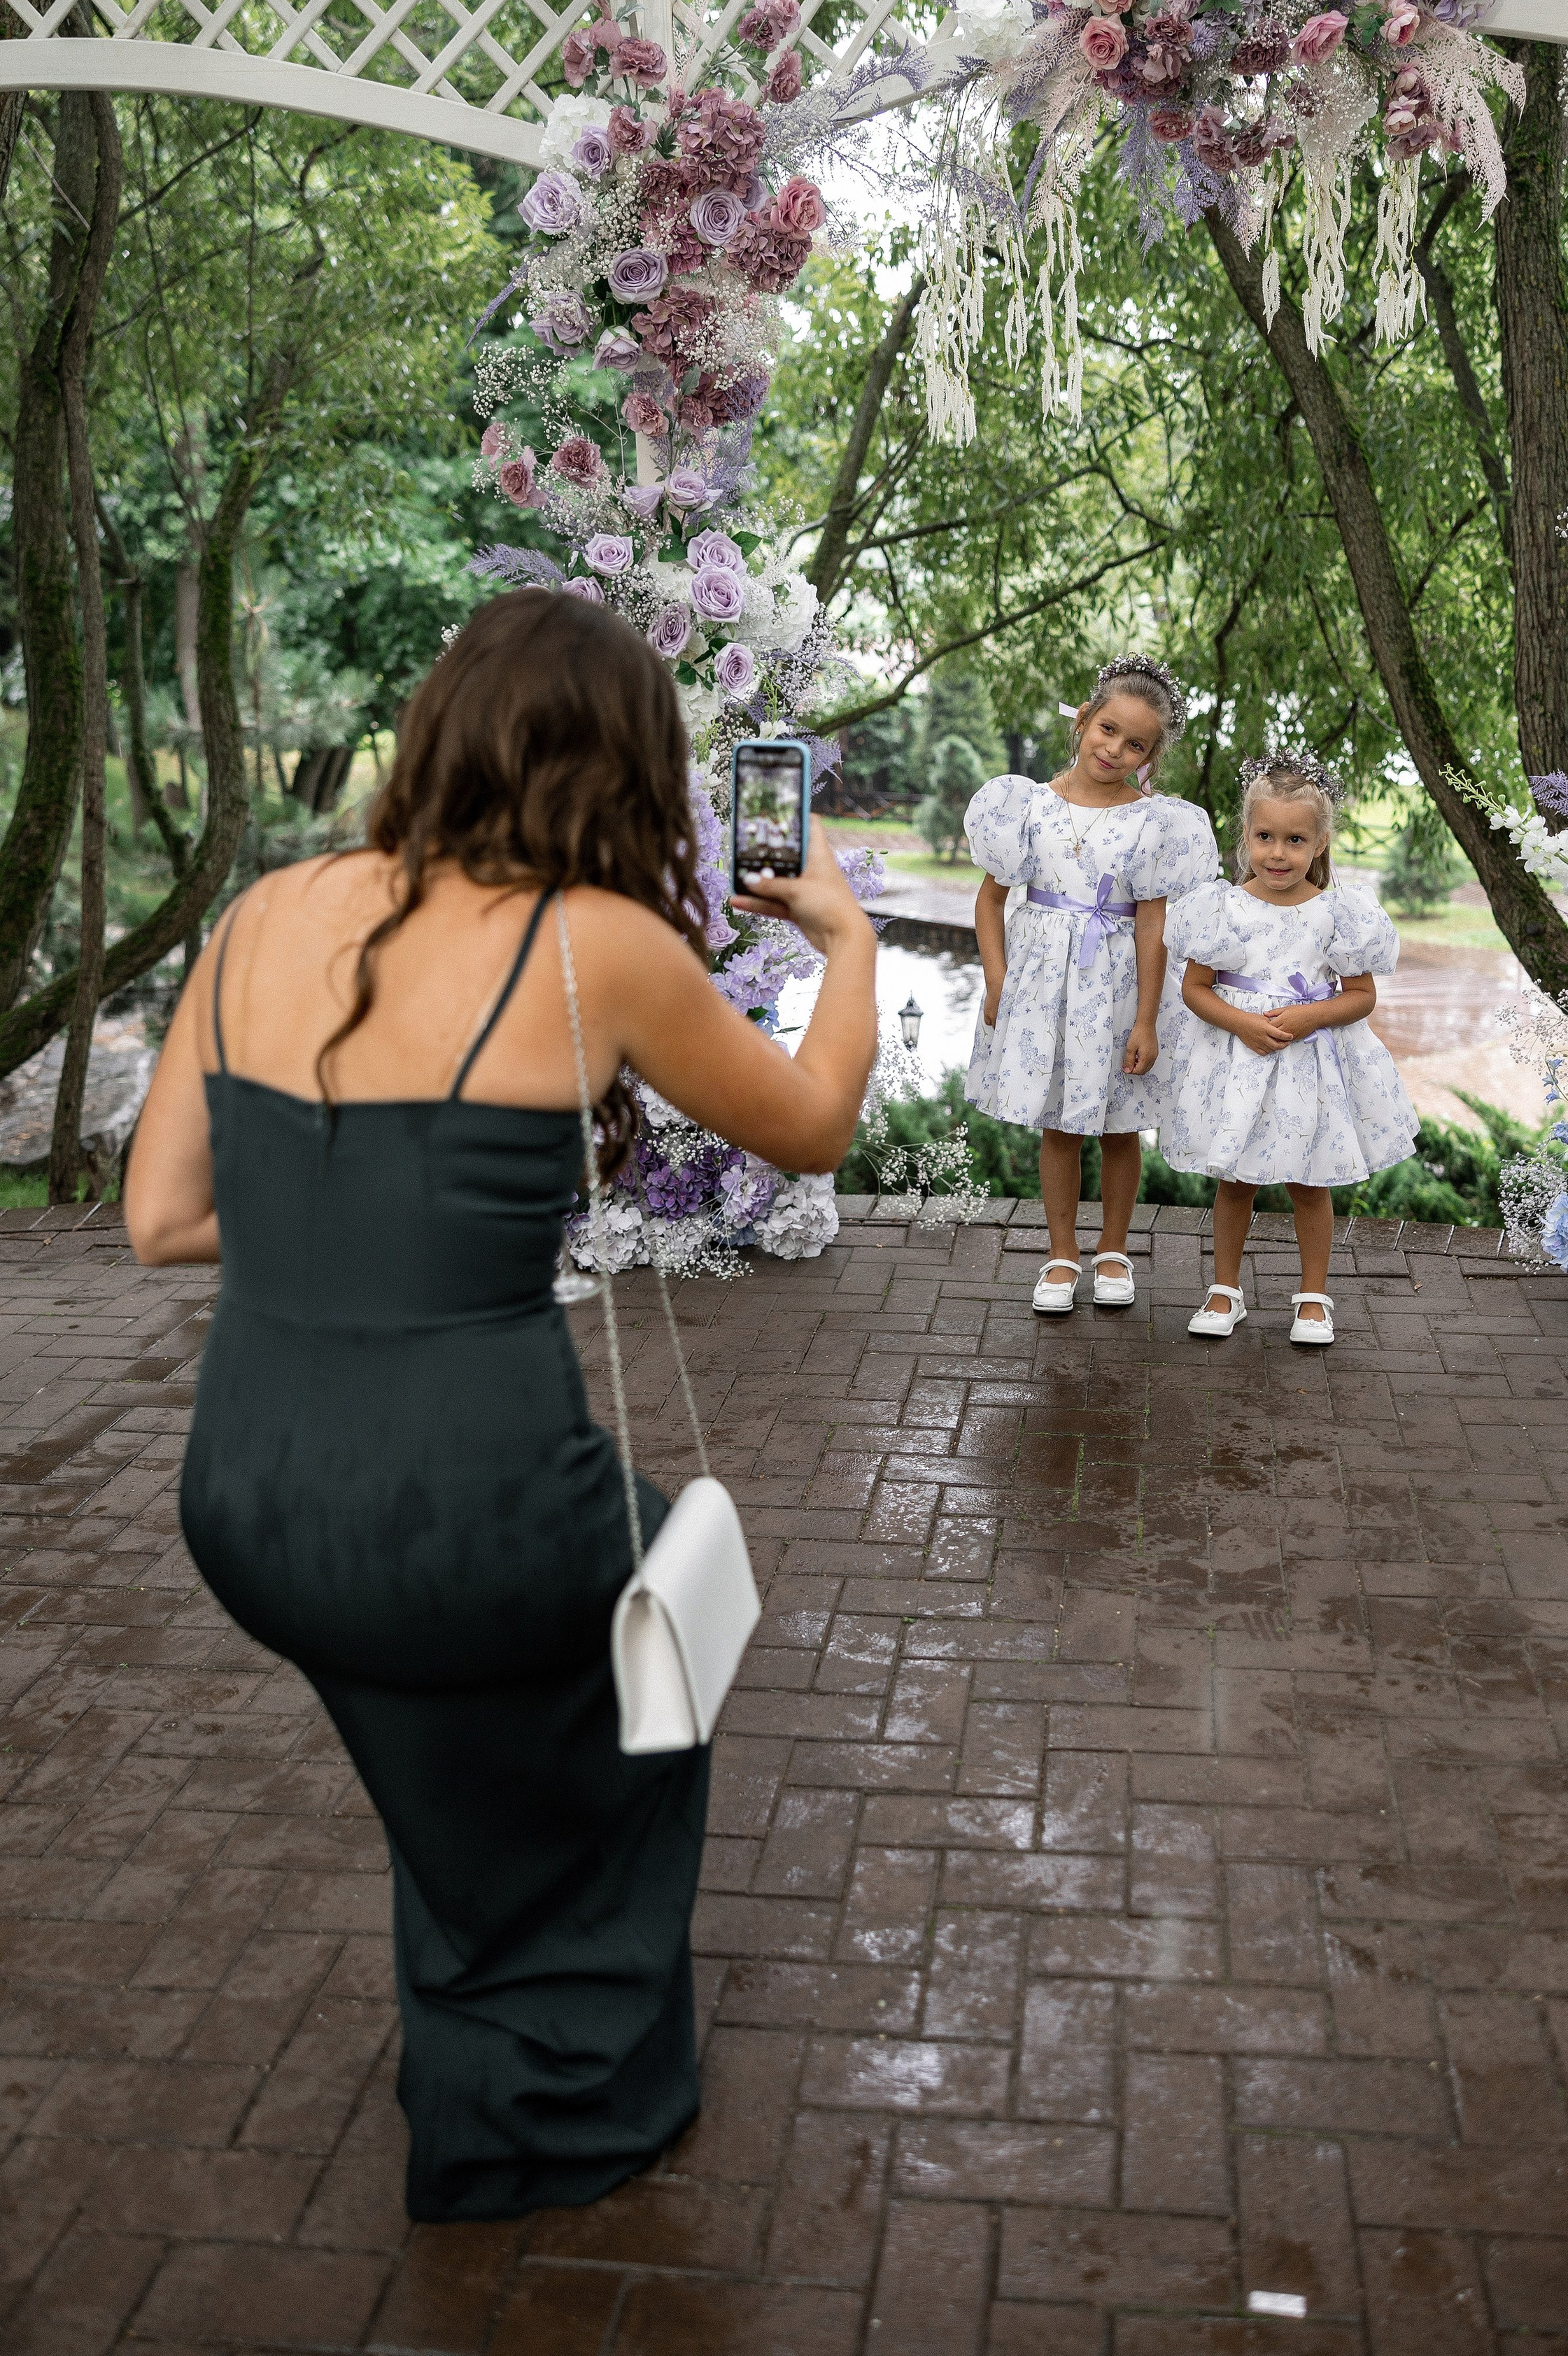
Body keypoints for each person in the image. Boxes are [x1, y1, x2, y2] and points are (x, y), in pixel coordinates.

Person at [124, 590, 878, 2223]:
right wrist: (848, 940)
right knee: (636, 1685)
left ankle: (469, 2022)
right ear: (623, 767)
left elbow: (162, 1215)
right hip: (470, 1504)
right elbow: (810, 1122)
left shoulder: (258, 915)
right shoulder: (593, 945)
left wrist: (364, 1222)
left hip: (248, 1496)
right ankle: (551, 2100)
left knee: (458, 1757)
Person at [963, 655, 1219, 1313]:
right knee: (1058, 1125)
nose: (1116, 749)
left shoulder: (1154, 823)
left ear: (1151, 756)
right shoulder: (1026, 808)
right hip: (1044, 991)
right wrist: (997, 981)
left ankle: (1112, 1251)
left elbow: (1155, 924)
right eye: (1108, 729)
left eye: (1136, 744)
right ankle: (1060, 1255)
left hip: (1118, 992)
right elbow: (990, 903)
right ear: (1082, 722)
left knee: (1118, 1126)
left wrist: (1146, 1021)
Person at [1164, 749, 1417, 1346]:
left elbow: (1360, 998)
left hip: (1310, 1066)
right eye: (1265, 837)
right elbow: (1194, 990)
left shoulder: (1338, 914)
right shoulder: (1221, 909)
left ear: (1321, 842)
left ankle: (1312, 1297)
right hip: (1241, 1060)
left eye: (1295, 840)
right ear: (1246, 836)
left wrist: (1309, 1017)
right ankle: (1225, 1290)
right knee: (1236, 1182)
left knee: (1310, 1180)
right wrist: (1242, 1024)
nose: (1278, 853)